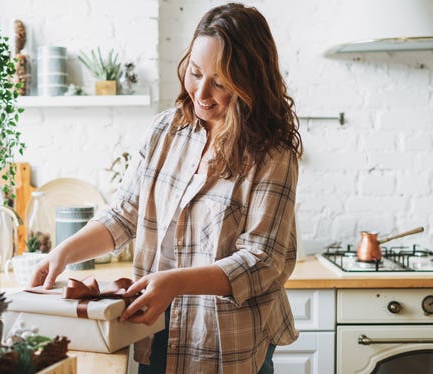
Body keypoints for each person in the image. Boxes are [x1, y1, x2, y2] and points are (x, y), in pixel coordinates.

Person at [30, 3, 302, 373]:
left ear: (249, 81)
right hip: (155, 328)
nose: (201, 92)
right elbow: (125, 213)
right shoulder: (166, 130)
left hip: (230, 342)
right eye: (195, 72)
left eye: (220, 82)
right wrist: (63, 252)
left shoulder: (272, 155)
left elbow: (261, 262)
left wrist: (174, 282)